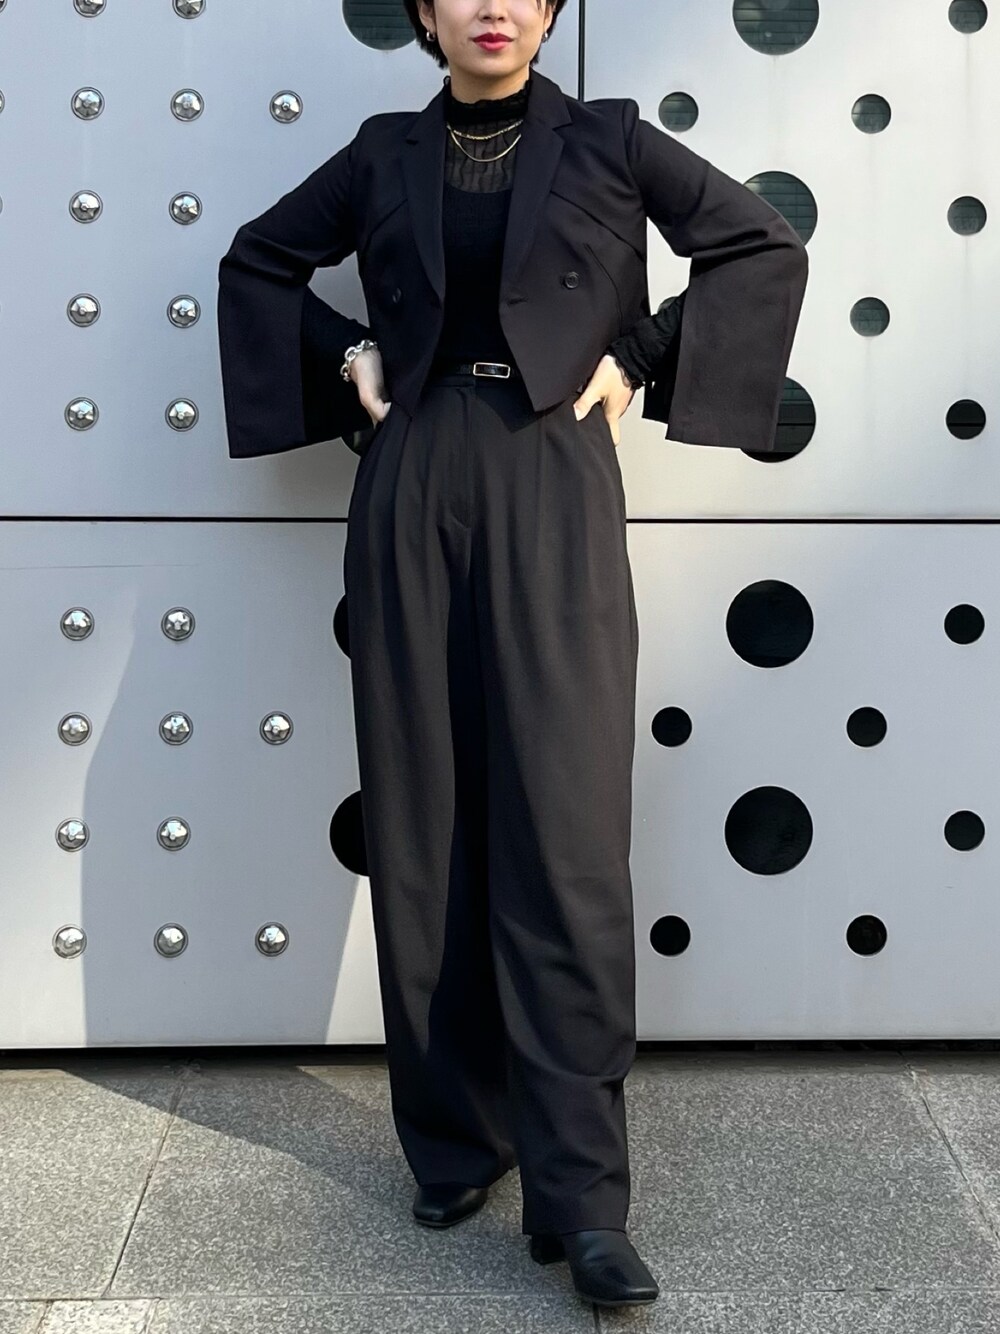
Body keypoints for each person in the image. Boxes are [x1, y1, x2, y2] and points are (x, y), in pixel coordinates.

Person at [217, 0, 807, 1308]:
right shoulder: (381, 152)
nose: (493, 6)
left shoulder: (609, 140)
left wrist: (640, 356)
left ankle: (583, 1198)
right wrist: (348, 356)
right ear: (425, 15)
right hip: (413, 471)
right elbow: (258, 262)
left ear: (545, 12)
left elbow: (756, 243)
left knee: (566, 831)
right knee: (422, 823)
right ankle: (453, 1141)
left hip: (553, 470)